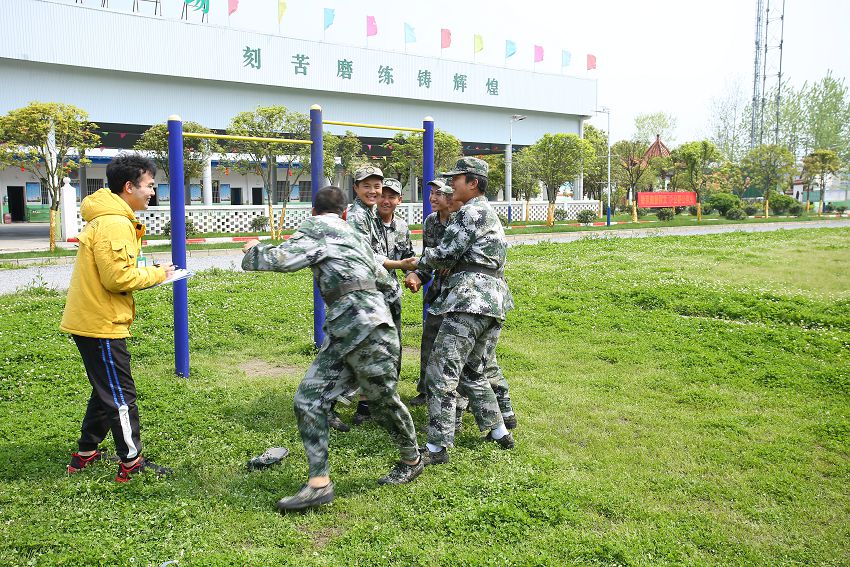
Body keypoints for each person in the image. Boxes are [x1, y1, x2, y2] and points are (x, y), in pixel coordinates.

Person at [241, 186, 423, 512]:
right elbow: (384, 281)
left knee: (383, 402)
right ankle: (318, 483)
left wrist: (253, 250)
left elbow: (284, 259)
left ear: (313, 212)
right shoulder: (354, 234)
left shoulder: (318, 227)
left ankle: (412, 459)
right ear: (343, 212)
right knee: (308, 399)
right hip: (353, 331)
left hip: (364, 330)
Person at [60, 153, 175, 482]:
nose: (153, 192)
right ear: (129, 187)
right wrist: (157, 274)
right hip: (100, 323)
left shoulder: (112, 218)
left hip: (95, 319)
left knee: (105, 390)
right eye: (149, 185)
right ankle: (131, 463)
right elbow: (117, 279)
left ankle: (85, 454)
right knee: (121, 395)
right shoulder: (115, 223)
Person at [411, 158, 515, 465]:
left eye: (455, 179)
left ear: (473, 182)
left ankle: (437, 447)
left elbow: (446, 253)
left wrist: (417, 269)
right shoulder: (486, 211)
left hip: (469, 300)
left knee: (441, 370)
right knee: (472, 370)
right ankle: (499, 432)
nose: (449, 184)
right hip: (491, 302)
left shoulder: (471, 211)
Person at [345, 166, 416, 426]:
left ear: (399, 200)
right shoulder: (360, 217)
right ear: (356, 188)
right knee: (369, 351)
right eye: (374, 189)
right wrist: (400, 266)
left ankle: (384, 399)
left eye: (387, 193)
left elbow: (407, 255)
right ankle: (364, 405)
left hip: (389, 294)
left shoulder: (397, 225)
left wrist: (413, 274)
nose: (381, 197)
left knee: (391, 349)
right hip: (369, 295)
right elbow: (367, 258)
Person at [405, 179, 455, 407]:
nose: (433, 198)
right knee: (429, 341)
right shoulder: (431, 222)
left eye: (439, 193)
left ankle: (461, 396)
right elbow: (428, 260)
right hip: (438, 293)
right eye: (431, 193)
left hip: (460, 293)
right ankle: (425, 391)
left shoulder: (461, 221)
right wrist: (417, 275)